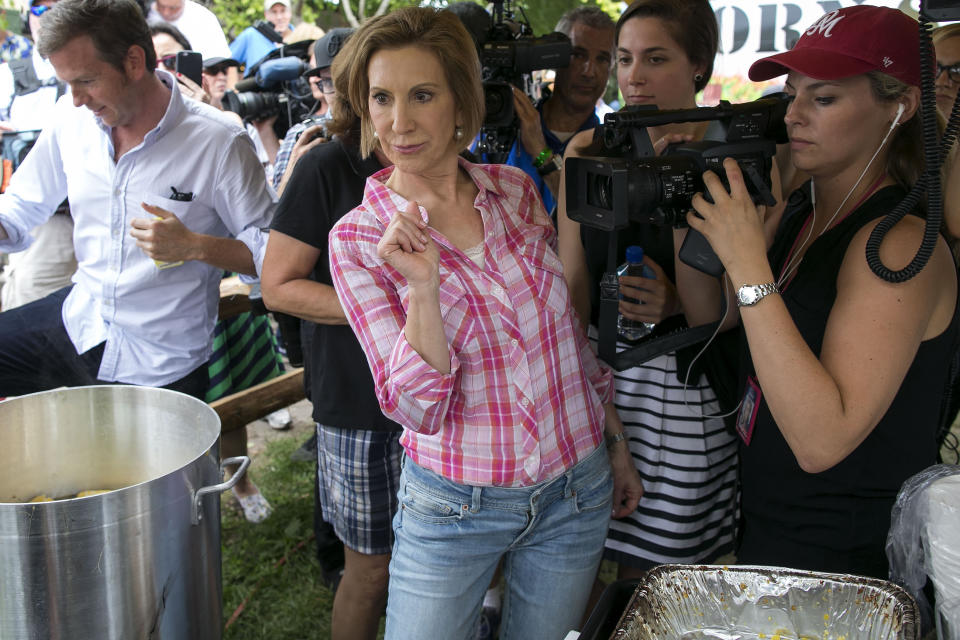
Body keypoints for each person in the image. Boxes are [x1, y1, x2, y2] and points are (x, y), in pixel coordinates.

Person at [327, 8, 643, 640]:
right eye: (381, 99)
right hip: (454, 509)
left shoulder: (516, 194)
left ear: (460, 103)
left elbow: (563, 342)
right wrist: (423, 287)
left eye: (422, 95)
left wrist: (613, 438)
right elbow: (417, 409)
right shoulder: (358, 240)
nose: (400, 122)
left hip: (574, 489)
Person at [681, 5, 958, 578]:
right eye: (792, 94)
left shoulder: (898, 245)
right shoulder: (808, 211)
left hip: (847, 564)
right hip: (770, 531)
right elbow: (716, 319)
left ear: (899, 106)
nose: (793, 116)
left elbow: (821, 440)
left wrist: (750, 263)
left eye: (823, 99)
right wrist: (700, 222)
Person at [0, 0, 275, 401]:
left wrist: (197, 245)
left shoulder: (218, 141)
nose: (76, 99)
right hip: (81, 320)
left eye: (86, 81)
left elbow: (276, 253)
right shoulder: (69, 117)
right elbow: (23, 203)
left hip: (161, 362)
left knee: (136, 467)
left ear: (133, 61)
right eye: (67, 84)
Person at [556, 0, 737, 584]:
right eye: (626, 59)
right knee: (575, 568)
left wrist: (680, 302)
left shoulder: (734, 155)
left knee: (663, 583)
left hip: (686, 398)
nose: (632, 76)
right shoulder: (590, 153)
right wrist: (600, 418)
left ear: (698, 66)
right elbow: (571, 289)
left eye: (655, 58)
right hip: (597, 388)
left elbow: (750, 299)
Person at [261, 29, 400, 638]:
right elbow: (279, 285)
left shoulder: (465, 167)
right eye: (382, 94)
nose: (400, 113)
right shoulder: (327, 164)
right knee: (369, 571)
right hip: (358, 404)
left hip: (447, 407)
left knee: (448, 561)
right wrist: (382, 309)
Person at [490, 6, 614, 215]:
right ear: (555, 58)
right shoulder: (507, 126)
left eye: (602, 59)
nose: (589, 71)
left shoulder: (609, 147)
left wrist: (540, 152)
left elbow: (587, 221)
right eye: (577, 55)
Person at [0, 0, 75, 312]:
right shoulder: (8, 76)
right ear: (26, 16)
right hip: (18, 210)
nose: (48, 16)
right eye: (39, 9)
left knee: (28, 304)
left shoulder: (93, 76)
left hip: (64, 218)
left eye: (58, 5)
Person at [271, 28, 352, 194]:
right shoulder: (302, 135)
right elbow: (277, 211)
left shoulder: (388, 131)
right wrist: (295, 172)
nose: (341, 93)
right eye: (329, 82)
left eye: (346, 81)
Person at [146, 0, 230, 62]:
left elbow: (223, 59)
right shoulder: (146, 13)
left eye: (173, 8)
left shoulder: (202, 17)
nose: (166, 12)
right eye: (161, 7)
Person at [229, 0, 293, 74]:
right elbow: (229, 62)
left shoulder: (301, 35)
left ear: (290, 13)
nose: (279, 17)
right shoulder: (251, 35)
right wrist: (232, 84)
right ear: (266, 14)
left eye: (283, 11)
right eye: (274, 12)